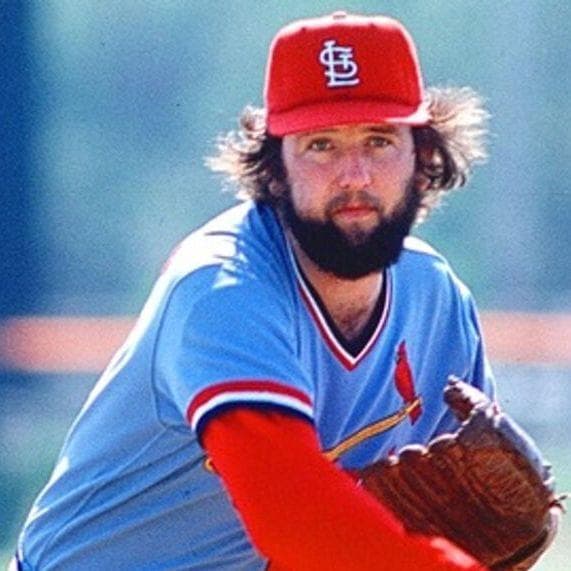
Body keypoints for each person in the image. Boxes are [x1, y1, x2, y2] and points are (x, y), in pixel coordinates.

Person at [15, 11, 493, 571]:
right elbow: (295, 523)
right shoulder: (223, 287)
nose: (355, 175)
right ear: (274, 168)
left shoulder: (435, 297)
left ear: (424, 157)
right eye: (321, 145)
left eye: (379, 139)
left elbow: (468, 507)